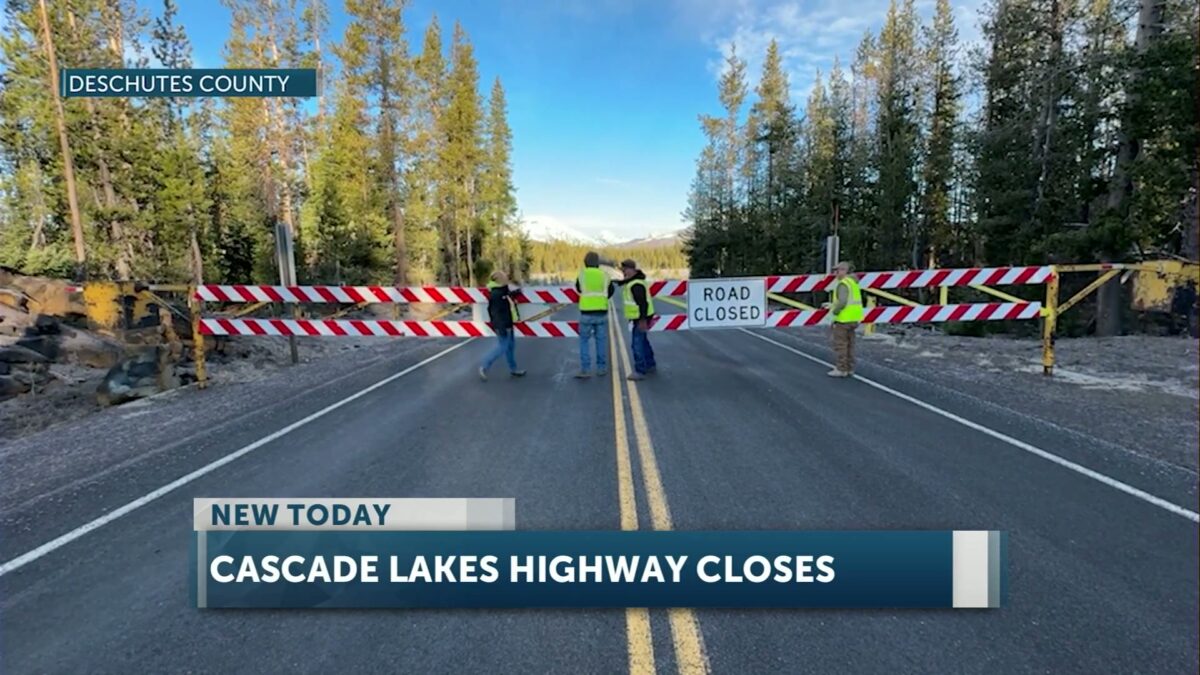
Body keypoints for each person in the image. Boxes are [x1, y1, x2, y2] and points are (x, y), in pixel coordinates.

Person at [478, 270, 527, 381]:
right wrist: (501, 327)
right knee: (503, 347)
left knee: (510, 347)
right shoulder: (496, 294)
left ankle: (513, 369)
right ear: (500, 280)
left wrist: (518, 291)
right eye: (504, 278)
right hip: (503, 325)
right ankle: (484, 366)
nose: (506, 279)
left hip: (507, 322)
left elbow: (508, 295)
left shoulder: (500, 291)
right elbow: (494, 312)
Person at [574, 251, 614, 378]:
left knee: (584, 341)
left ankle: (585, 369)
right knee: (601, 341)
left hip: (586, 312)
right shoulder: (604, 275)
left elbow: (579, 288)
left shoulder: (582, 275)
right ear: (598, 263)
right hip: (601, 312)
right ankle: (601, 368)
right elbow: (611, 290)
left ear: (585, 262)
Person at [822, 261, 864, 377]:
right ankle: (849, 368)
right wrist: (832, 305)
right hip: (854, 318)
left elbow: (843, 301)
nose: (836, 273)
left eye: (839, 270)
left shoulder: (843, 284)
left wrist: (834, 312)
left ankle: (841, 369)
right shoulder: (853, 283)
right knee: (850, 345)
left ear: (846, 271)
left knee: (841, 345)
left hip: (843, 319)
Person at [619, 259, 656, 381]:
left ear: (631, 269)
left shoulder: (636, 285)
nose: (623, 273)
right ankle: (650, 364)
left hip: (641, 317)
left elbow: (642, 303)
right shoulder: (636, 281)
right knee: (643, 341)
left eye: (625, 270)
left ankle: (640, 370)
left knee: (637, 344)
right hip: (642, 317)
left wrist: (642, 320)